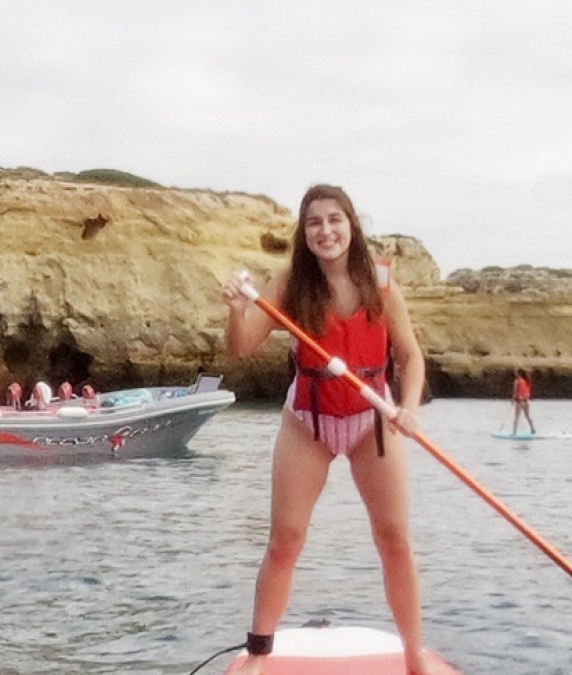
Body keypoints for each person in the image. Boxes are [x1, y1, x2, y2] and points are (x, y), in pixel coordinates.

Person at [220, 184, 433, 675]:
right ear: (305, 232)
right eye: (314, 222)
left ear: (351, 225)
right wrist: (236, 310)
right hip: (308, 423)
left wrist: (408, 406)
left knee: (395, 537)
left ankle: (414, 655)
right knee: (286, 539)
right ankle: (258, 652)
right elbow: (242, 346)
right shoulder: (290, 282)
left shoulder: (380, 283)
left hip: (370, 423)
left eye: (334, 219)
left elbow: (410, 355)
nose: (325, 231)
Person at [511, 368, 536, 435]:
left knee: (517, 417)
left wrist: (513, 400)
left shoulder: (517, 381)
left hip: (520, 402)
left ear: (519, 374)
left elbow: (515, 391)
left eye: (516, 373)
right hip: (526, 402)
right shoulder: (526, 381)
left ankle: (514, 433)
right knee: (528, 416)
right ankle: (533, 430)